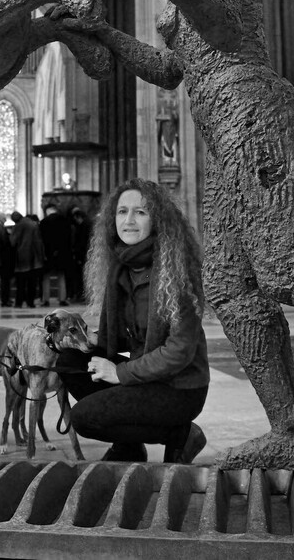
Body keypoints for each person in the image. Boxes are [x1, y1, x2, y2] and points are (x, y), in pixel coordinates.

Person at [56, 178, 208, 464]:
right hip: (145, 374)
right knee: (70, 361)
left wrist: (120, 373)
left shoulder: (176, 272)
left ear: (158, 220)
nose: (129, 221)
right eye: (122, 212)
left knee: (84, 418)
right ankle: (129, 447)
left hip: (179, 388)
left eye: (140, 212)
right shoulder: (121, 268)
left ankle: (182, 434)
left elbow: (179, 352)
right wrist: (94, 340)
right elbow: (133, 333)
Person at [39, 203, 73, 306]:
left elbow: (41, 240)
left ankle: (46, 300)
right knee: (61, 276)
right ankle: (62, 298)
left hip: (48, 253)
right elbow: (69, 239)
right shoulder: (65, 221)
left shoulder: (44, 222)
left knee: (46, 277)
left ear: (48, 211)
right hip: (62, 253)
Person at [9, 211, 42, 308]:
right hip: (33, 257)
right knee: (32, 282)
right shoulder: (33, 225)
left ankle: (19, 302)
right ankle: (30, 302)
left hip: (21, 257)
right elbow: (38, 242)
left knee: (20, 282)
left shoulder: (17, 226)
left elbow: (12, 242)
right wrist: (40, 256)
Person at [69, 206, 90, 303]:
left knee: (81, 277)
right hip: (86, 254)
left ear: (78, 217)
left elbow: (81, 242)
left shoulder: (83, 226)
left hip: (83, 255)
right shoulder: (88, 224)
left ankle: (82, 296)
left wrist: (78, 256)